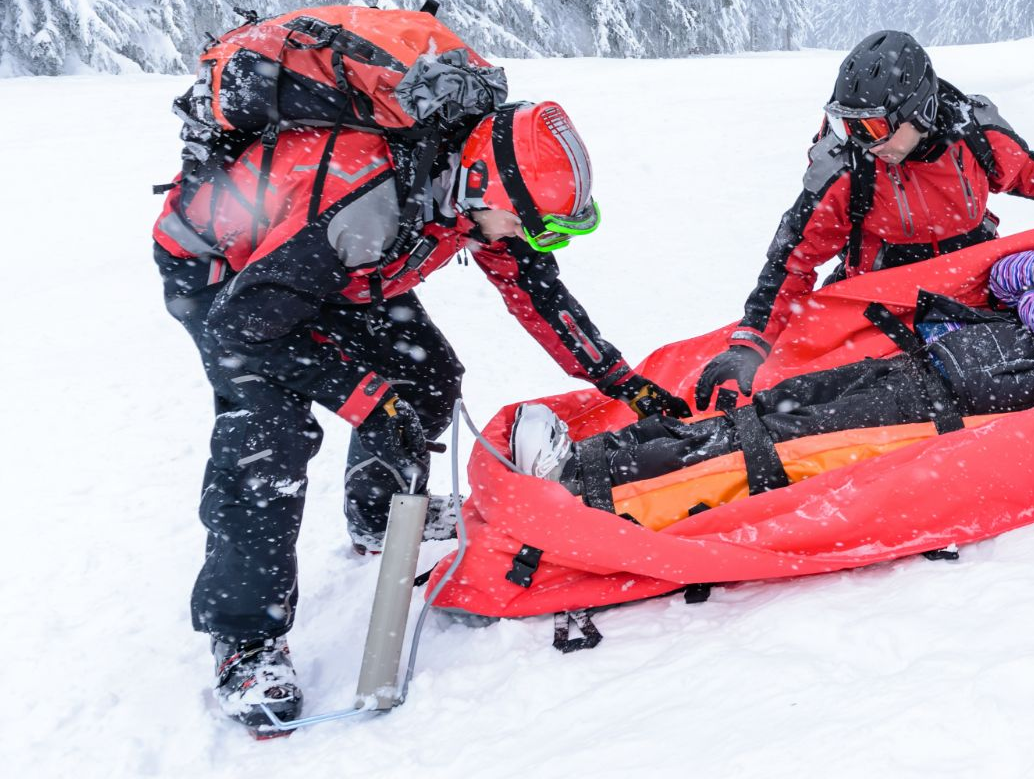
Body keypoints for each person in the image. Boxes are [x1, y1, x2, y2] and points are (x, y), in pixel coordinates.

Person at [153, 99, 686, 736]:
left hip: (330, 266)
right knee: (270, 441)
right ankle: (245, 641)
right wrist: (366, 395)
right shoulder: (371, 202)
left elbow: (538, 292)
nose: (528, 238)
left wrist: (618, 378)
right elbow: (245, 328)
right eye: (530, 224)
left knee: (425, 377)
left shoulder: (466, 191)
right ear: (485, 185)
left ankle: (379, 514)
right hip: (230, 279)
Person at [511, 246, 1034, 504]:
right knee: (771, 409)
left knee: (771, 444)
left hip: (946, 407)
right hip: (930, 371)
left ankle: (585, 481)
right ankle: (602, 458)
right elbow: (1011, 277)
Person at [695, 30, 1034, 410]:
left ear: (917, 110)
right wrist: (750, 343)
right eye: (847, 124)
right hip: (884, 299)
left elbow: (1028, 171)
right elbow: (792, 260)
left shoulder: (973, 134)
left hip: (976, 284)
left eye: (874, 127)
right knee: (860, 395)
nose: (861, 139)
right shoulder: (849, 168)